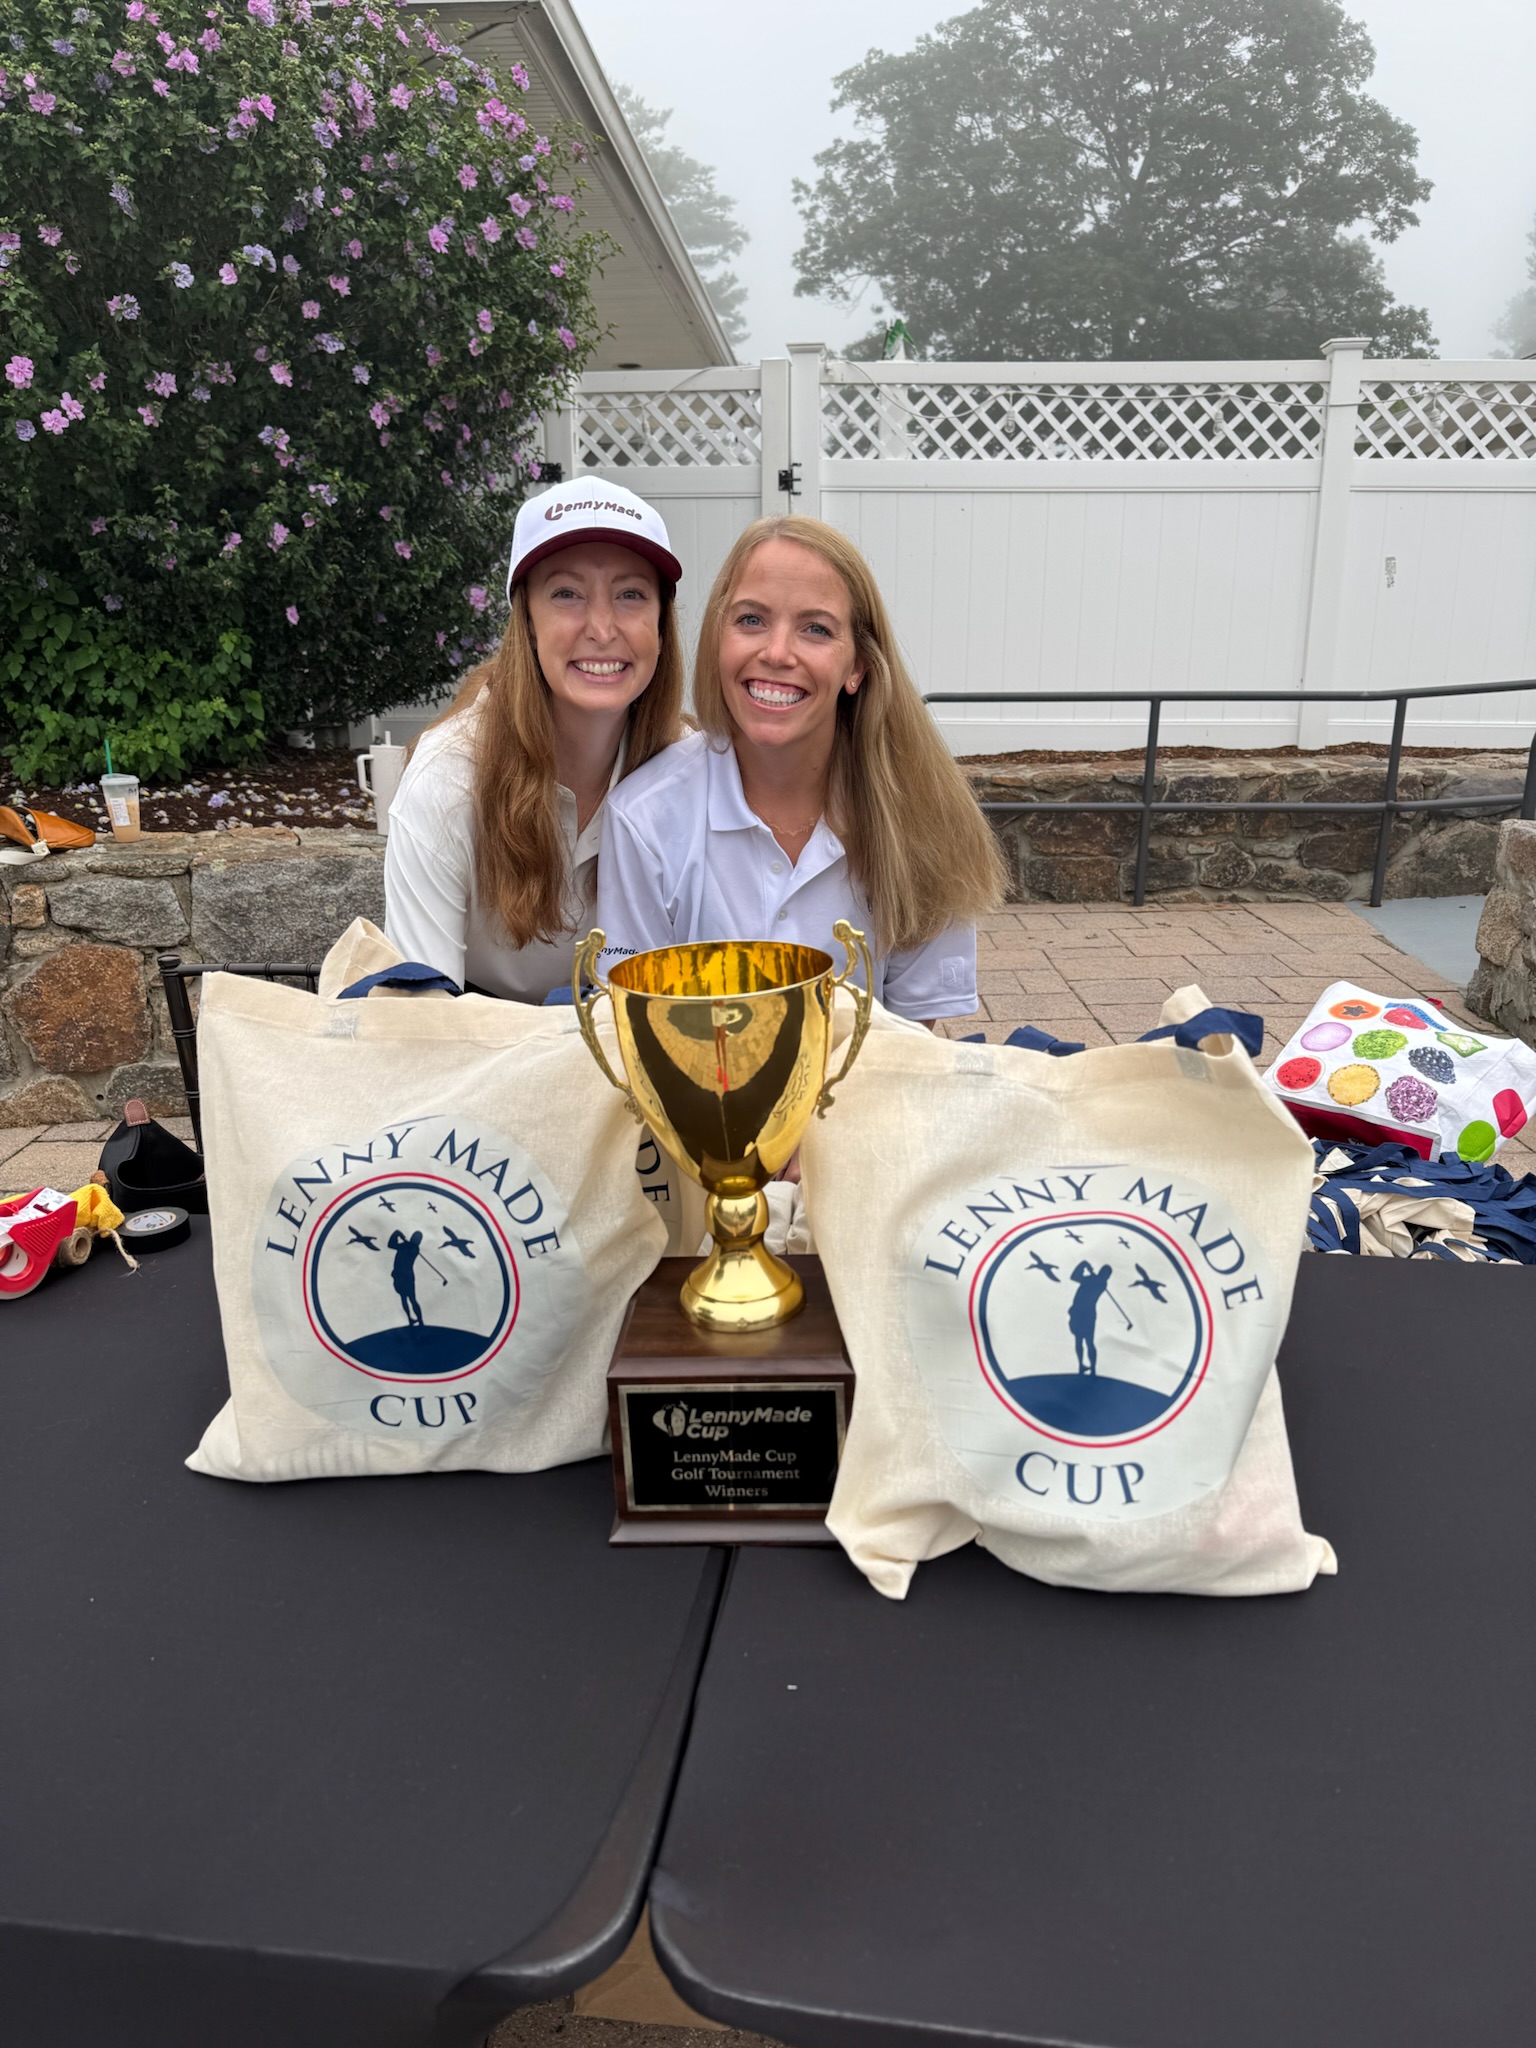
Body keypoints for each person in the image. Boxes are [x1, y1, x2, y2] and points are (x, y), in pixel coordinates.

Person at [594, 516, 1004, 1025]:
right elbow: (638, 1025)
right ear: (717, 640)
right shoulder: (643, 818)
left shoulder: (925, 819)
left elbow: (913, 1042)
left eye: (816, 628)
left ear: (858, 667)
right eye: (750, 620)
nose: (777, 653)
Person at [384, 480, 685, 999]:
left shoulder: (688, 770)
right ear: (525, 620)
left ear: (661, 622)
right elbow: (423, 1019)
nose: (602, 627)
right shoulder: (448, 775)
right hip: (478, 1054)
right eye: (566, 593)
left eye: (631, 594)